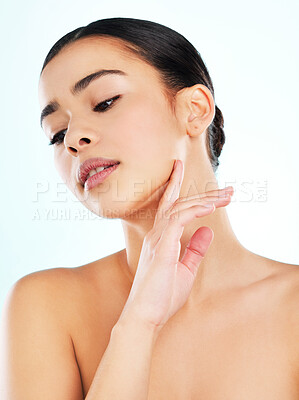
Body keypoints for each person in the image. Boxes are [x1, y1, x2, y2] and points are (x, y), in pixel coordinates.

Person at [1, 17, 298, 400]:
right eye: (57, 133)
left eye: (104, 102)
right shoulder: (47, 305)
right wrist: (138, 322)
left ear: (194, 109)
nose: (74, 139)